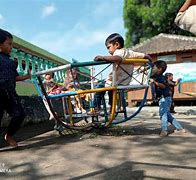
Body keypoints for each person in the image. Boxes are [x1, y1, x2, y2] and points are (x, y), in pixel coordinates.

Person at [94, 33, 152, 109]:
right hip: (123, 82)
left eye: (108, 47)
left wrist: (102, 57)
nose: (108, 51)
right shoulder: (130, 52)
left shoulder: (118, 52)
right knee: (110, 90)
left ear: (117, 45)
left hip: (114, 82)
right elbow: (144, 55)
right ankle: (112, 106)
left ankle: (96, 107)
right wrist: (149, 59)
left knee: (99, 88)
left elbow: (118, 58)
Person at [0, 29, 31, 147]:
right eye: (9, 44)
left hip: (10, 94)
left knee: (20, 114)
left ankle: (9, 135)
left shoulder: (11, 62)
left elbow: (15, 78)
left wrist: (27, 76)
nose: (11, 47)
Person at [150, 60, 186, 137]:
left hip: (165, 99)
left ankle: (164, 130)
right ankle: (180, 128)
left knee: (163, 114)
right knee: (168, 115)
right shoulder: (156, 76)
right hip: (164, 98)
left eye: (154, 68)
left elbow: (163, 86)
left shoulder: (161, 78)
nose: (152, 69)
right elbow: (150, 67)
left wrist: (155, 83)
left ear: (159, 69)